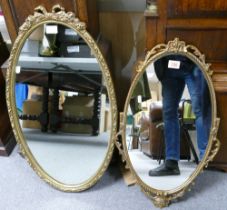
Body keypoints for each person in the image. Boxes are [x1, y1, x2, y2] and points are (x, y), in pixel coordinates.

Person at [148, 55, 211, 176]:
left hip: (192, 62)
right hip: (168, 66)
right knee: (168, 112)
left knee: (200, 108)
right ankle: (171, 163)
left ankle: (205, 161)